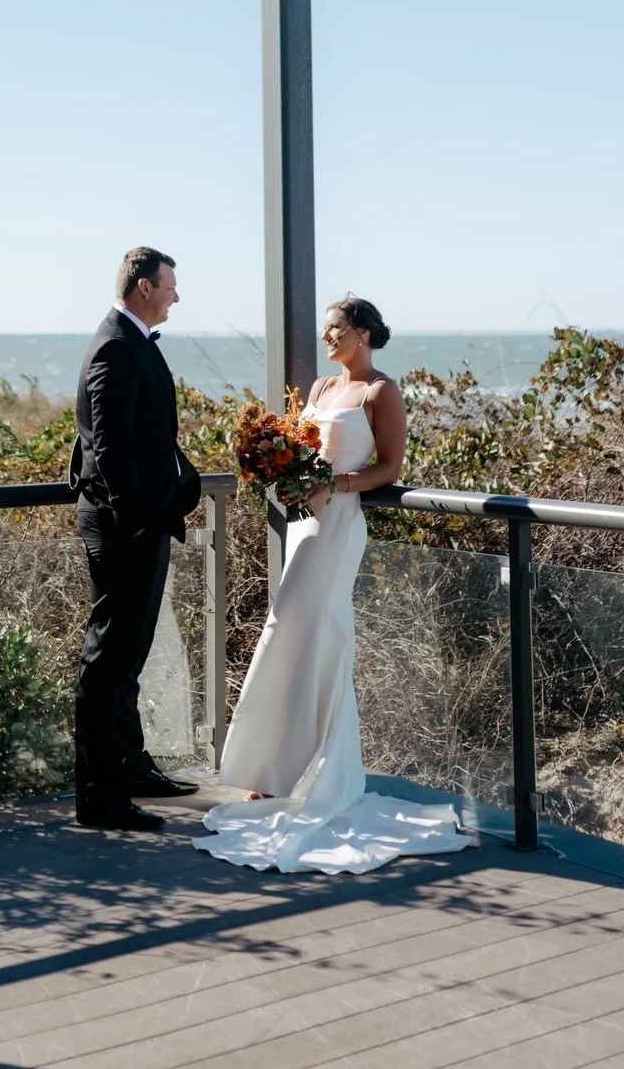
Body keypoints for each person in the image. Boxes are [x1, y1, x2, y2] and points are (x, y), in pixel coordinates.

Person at [195, 295, 469, 874]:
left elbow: (389, 468)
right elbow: (301, 451)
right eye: (326, 329)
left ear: (362, 333)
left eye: (336, 328)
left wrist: (336, 485)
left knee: (320, 637)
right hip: (304, 523)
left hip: (339, 525)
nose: (327, 337)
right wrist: (281, 469)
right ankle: (275, 769)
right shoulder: (320, 389)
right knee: (288, 634)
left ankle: (318, 776)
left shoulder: (381, 393)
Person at [68, 246, 202, 831]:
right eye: (170, 286)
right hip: (126, 527)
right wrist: (136, 519)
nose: (176, 295)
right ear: (144, 287)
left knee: (127, 658)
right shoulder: (117, 347)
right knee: (108, 660)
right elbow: (107, 443)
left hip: (140, 522)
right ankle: (100, 799)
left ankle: (131, 769)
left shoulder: (131, 341)